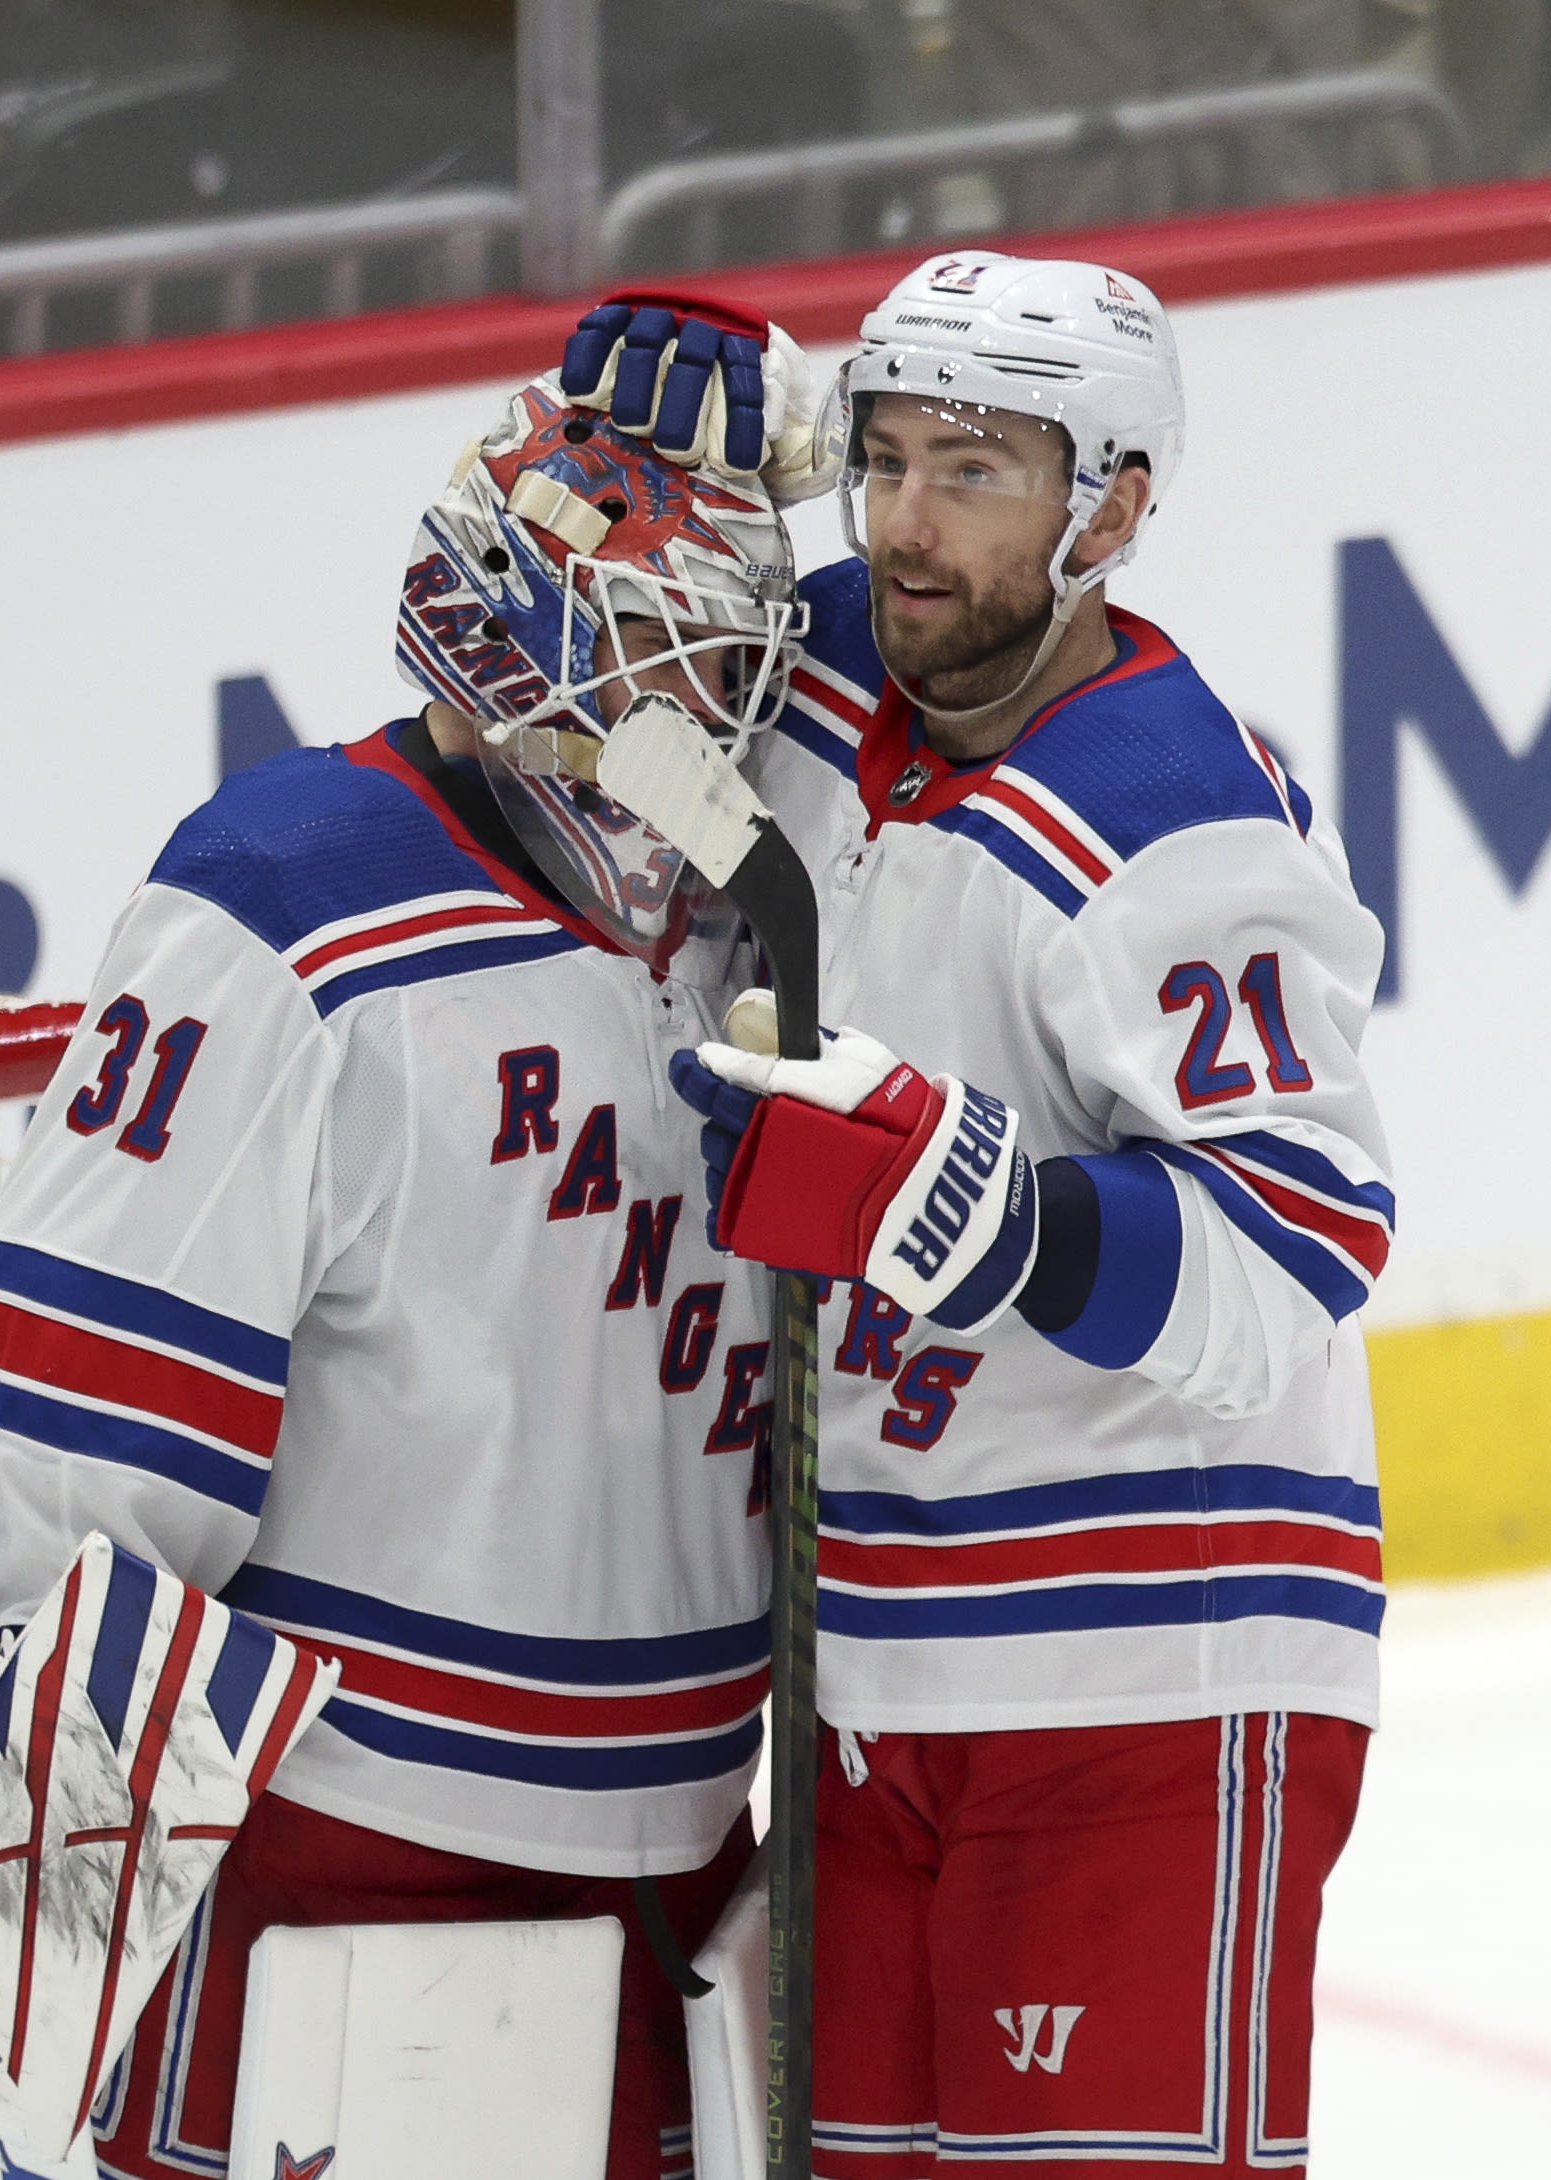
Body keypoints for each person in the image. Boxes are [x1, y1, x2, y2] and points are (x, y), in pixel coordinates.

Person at [564, 255, 1392, 2177]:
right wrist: (702, 417)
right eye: (884, 462)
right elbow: (614, 609)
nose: (908, 526)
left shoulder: (1189, 818)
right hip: (857, 1671)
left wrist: (978, 1207)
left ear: (1107, 508)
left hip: (1144, 1680)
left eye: (977, 472)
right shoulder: (820, 658)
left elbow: (1302, 1245)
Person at [0, 374, 804, 2180]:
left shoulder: (747, 921)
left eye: (733, 671)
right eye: (665, 658)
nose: (712, 722)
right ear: (515, 629)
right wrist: (67, 1894)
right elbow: (80, 1428)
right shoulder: (290, 895)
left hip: (691, 1852)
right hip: (355, 1861)